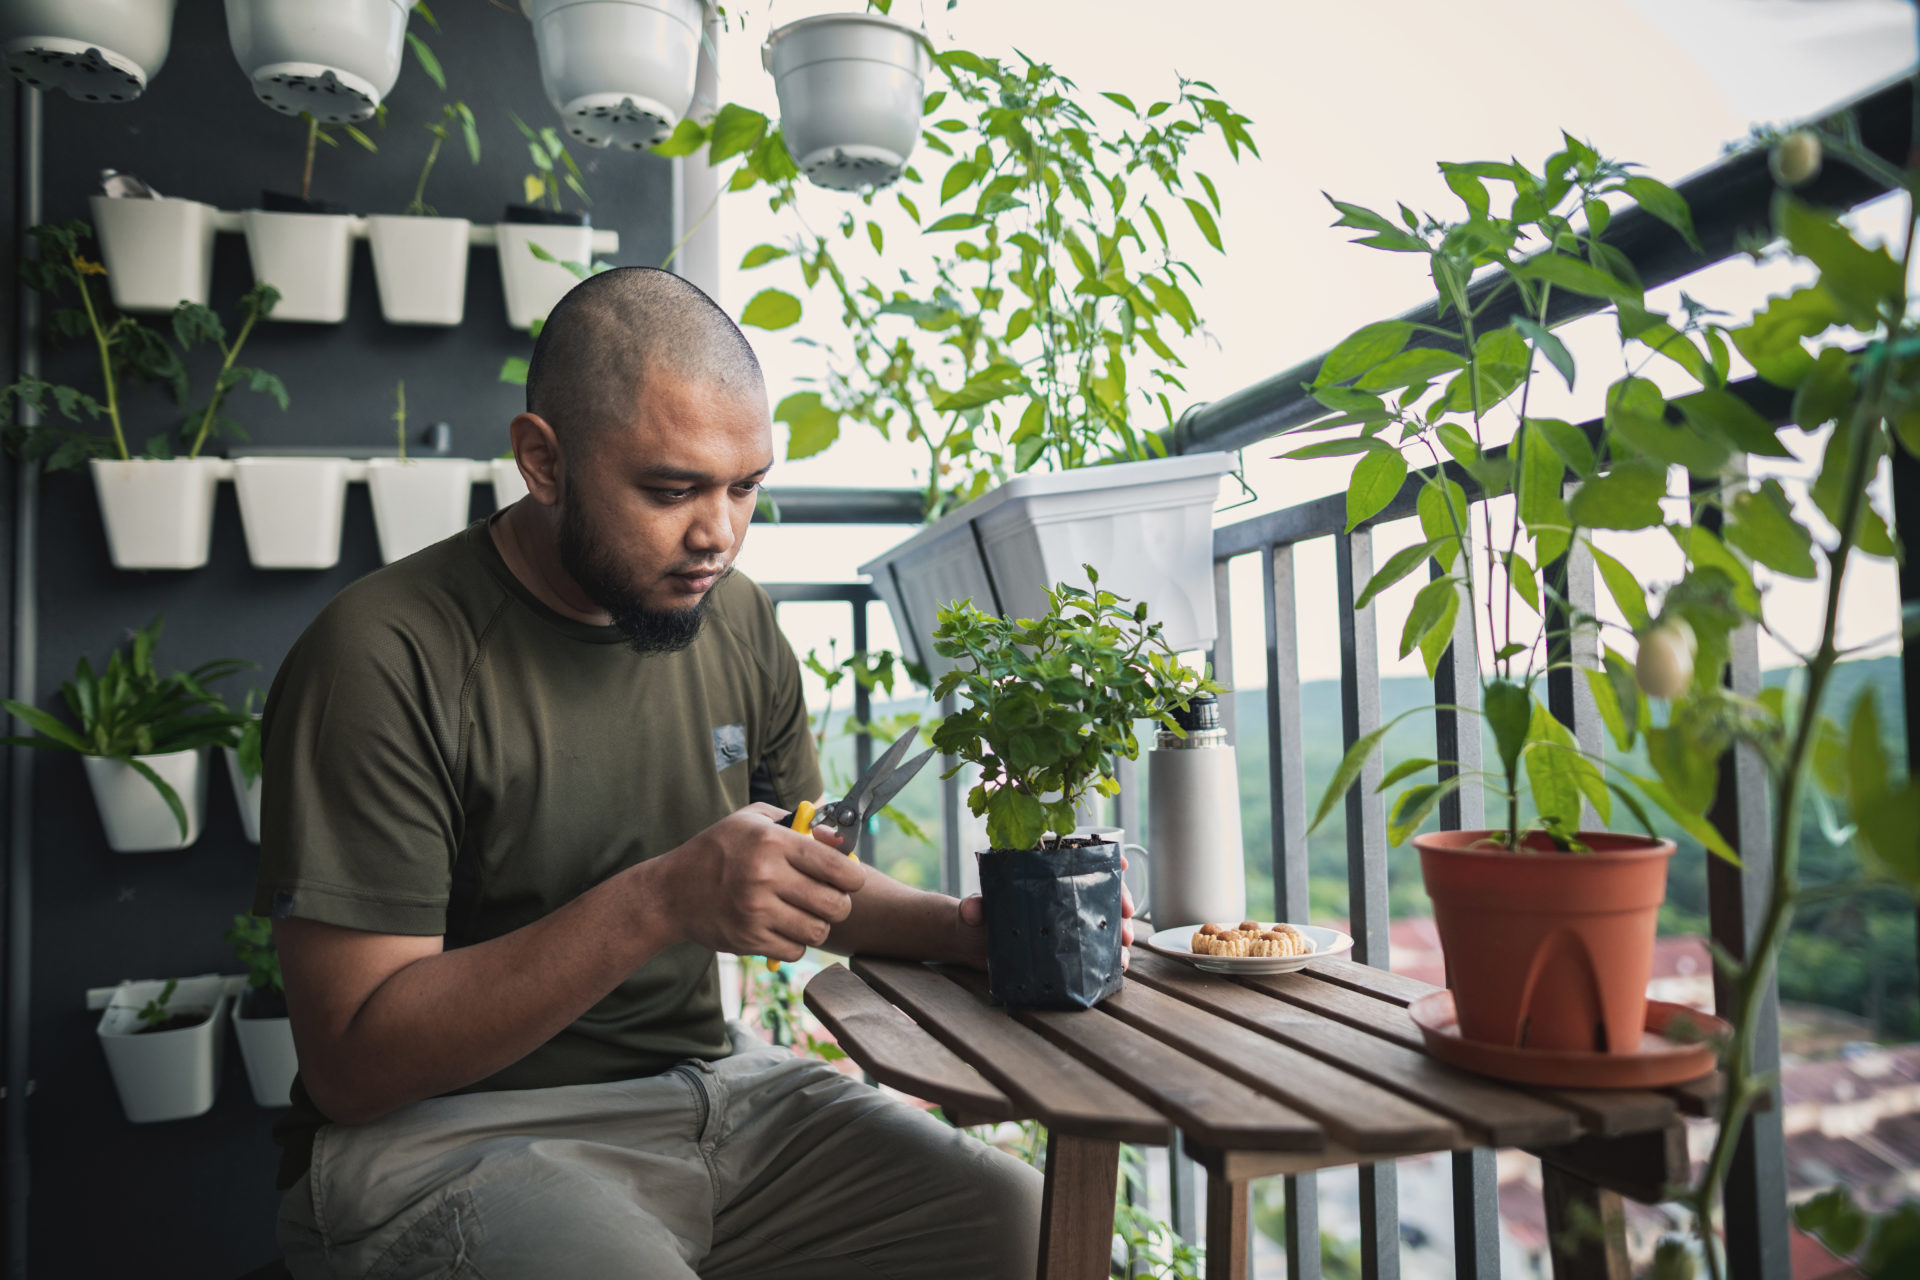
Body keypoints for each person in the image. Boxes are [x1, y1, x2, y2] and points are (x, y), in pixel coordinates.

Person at [255, 267, 1131, 1278]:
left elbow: (803, 870)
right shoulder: (384, 653)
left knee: (1034, 1231)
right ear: (544, 460)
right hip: (445, 1139)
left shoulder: (738, 618)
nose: (717, 532)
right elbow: (355, 1062)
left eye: (746, 484)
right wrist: (663, 897)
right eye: (671, 489)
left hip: (716, 1097)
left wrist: (968, 933)